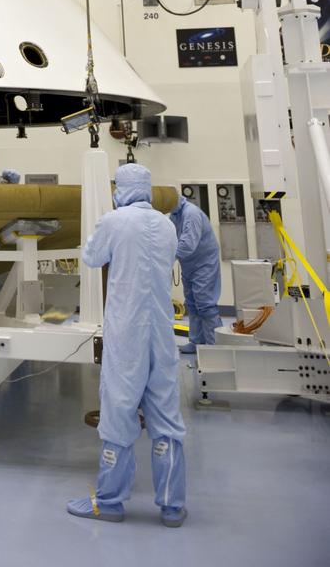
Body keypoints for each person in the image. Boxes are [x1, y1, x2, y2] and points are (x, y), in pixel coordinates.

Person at [68, 163, 187, 528]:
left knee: (119, 412)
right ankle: (172, 506)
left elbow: (91, 257)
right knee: (166, 415)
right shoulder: (167, 224)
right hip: (163, 333)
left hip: (127, 332)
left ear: (121, 188)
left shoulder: (115, 220)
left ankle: (110, 502)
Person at [170, 194, 221, 353]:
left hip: (203, 263)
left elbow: (187, 245)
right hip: (189, 264)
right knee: (192, 304)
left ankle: (216, 348)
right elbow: (169, 238)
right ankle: (197, 342)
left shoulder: (191, 214)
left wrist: (165, 260)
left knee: (205, 305)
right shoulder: (174, 215)